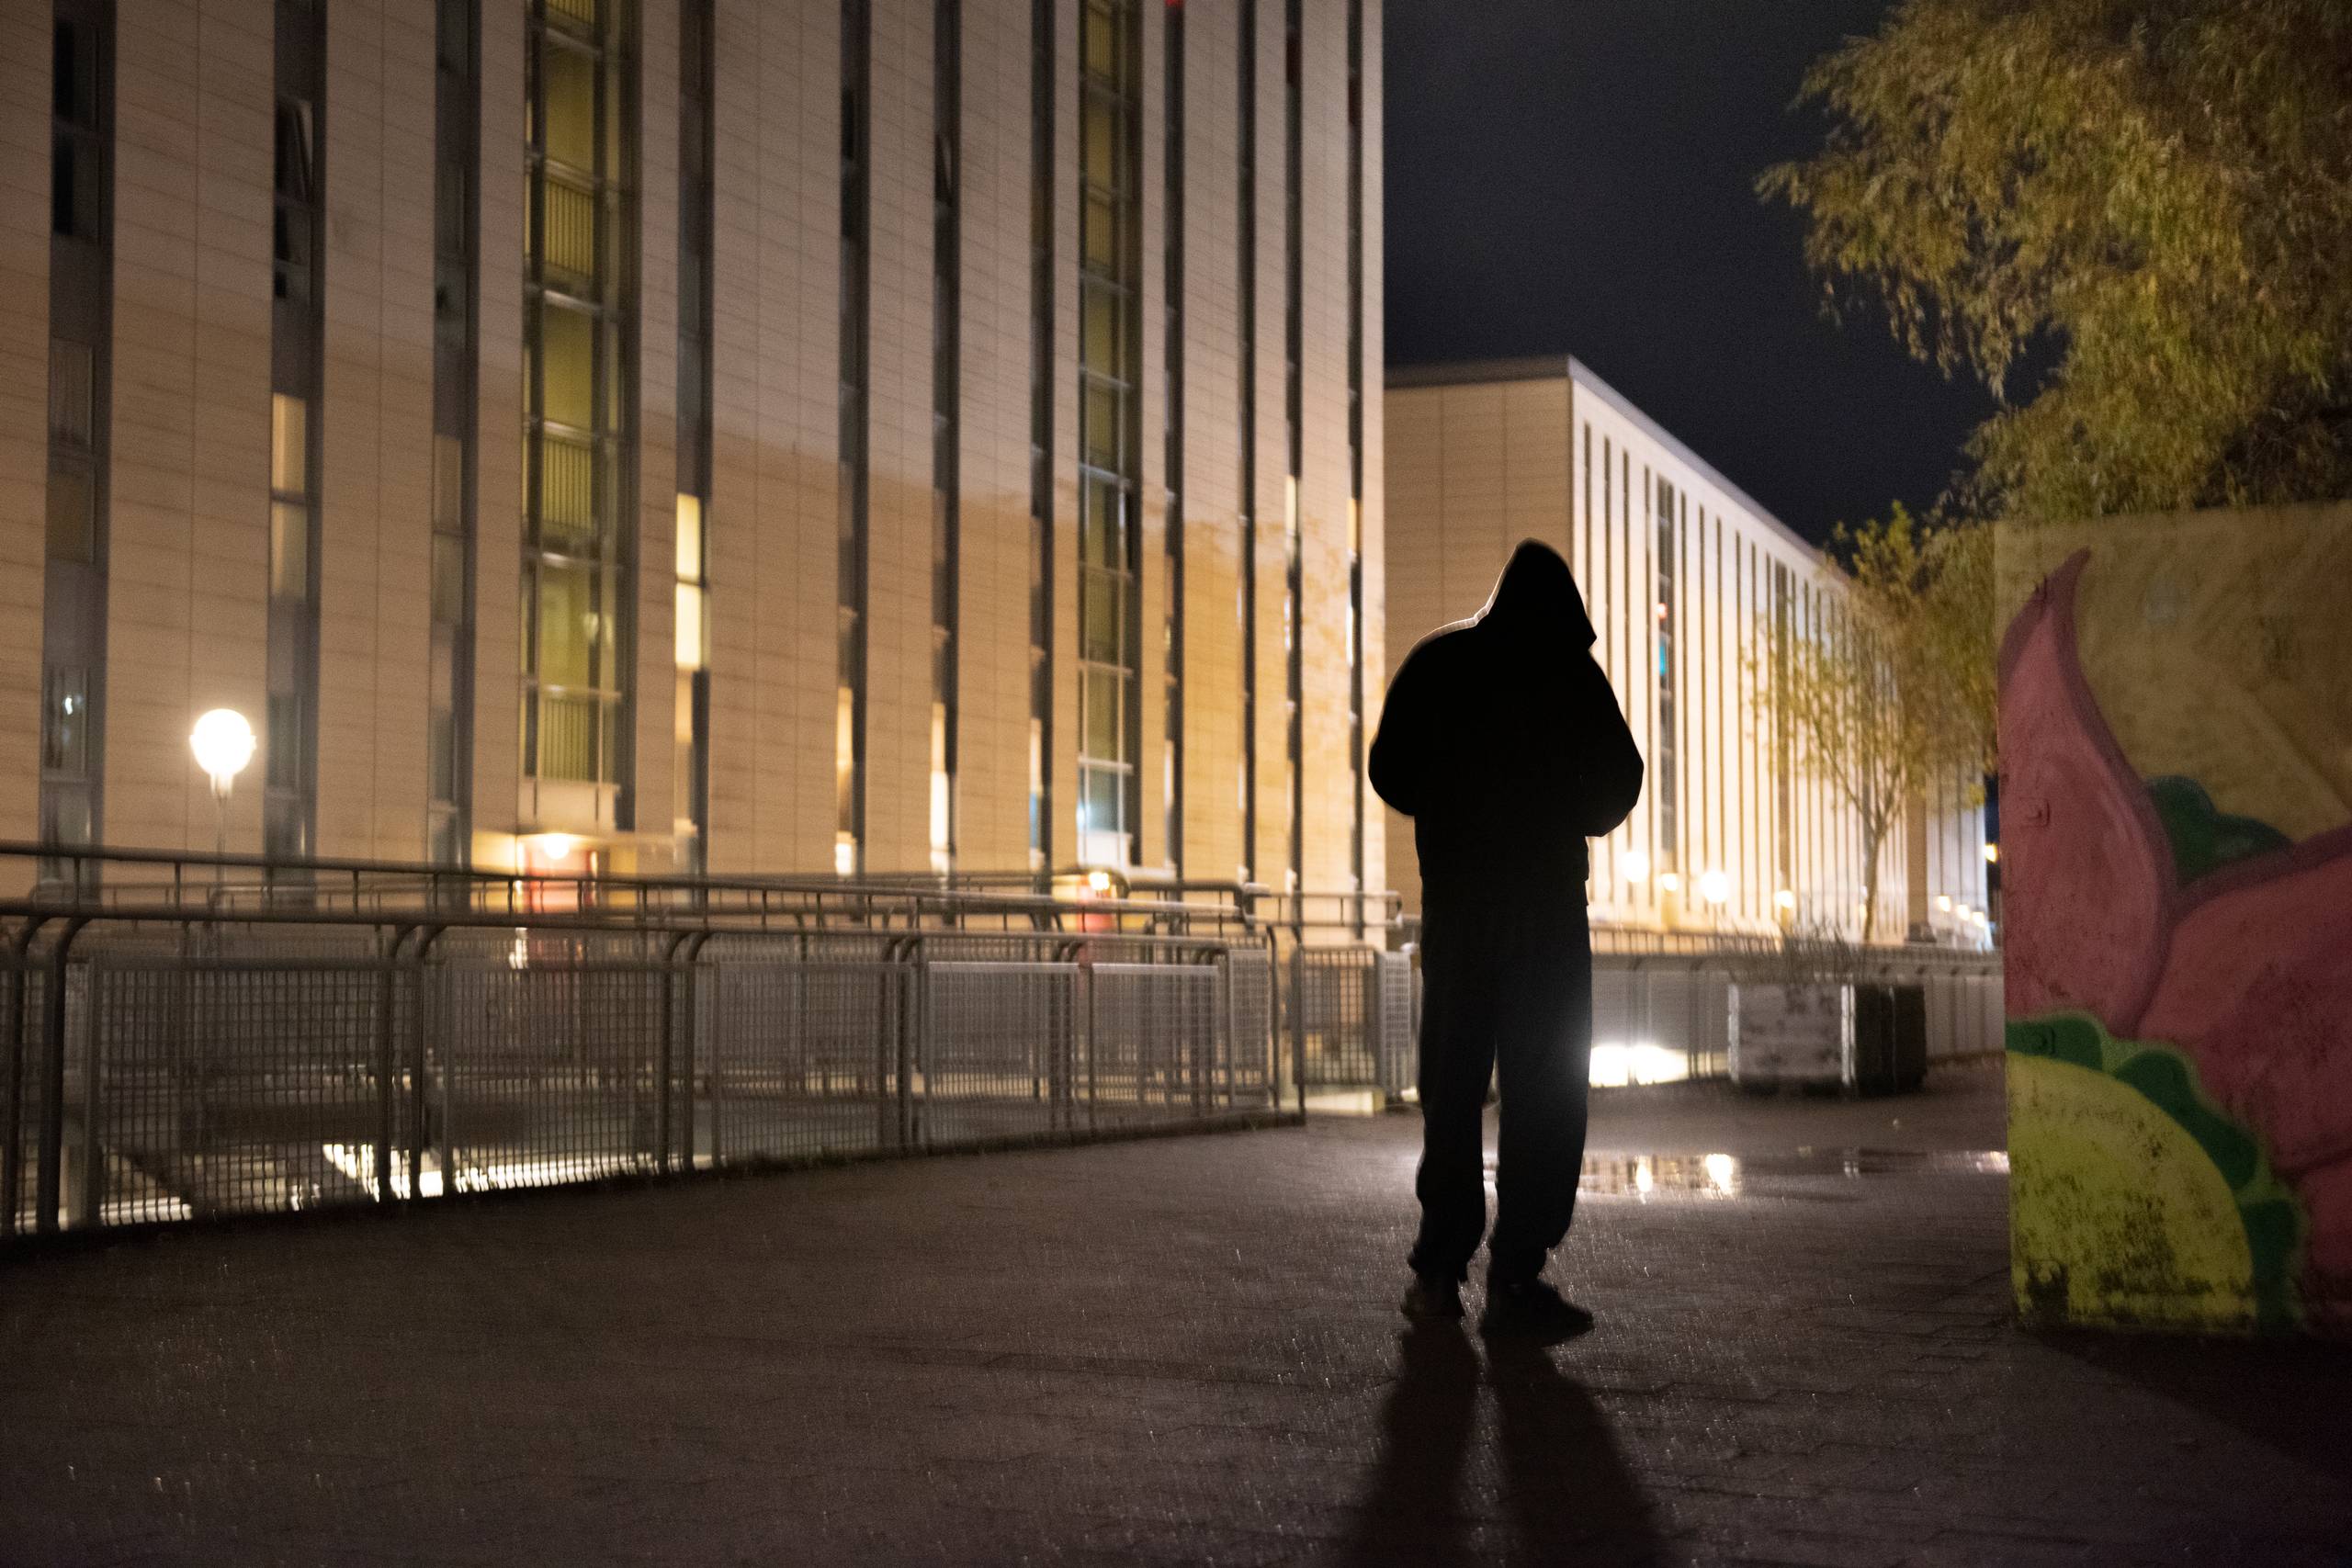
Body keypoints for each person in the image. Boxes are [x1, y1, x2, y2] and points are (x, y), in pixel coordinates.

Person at [1369, 539, 1644, 1342]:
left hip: (1456, 907)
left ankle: (1437, 1268)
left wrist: (1450, 808)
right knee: (1547, 1091)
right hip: (1547, 914)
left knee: (1451, 1085)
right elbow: (1619, 782)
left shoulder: (1439, 663)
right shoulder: (1570, 673)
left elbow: (1389, 768)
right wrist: (1559, 810)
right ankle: (1518, 1272)